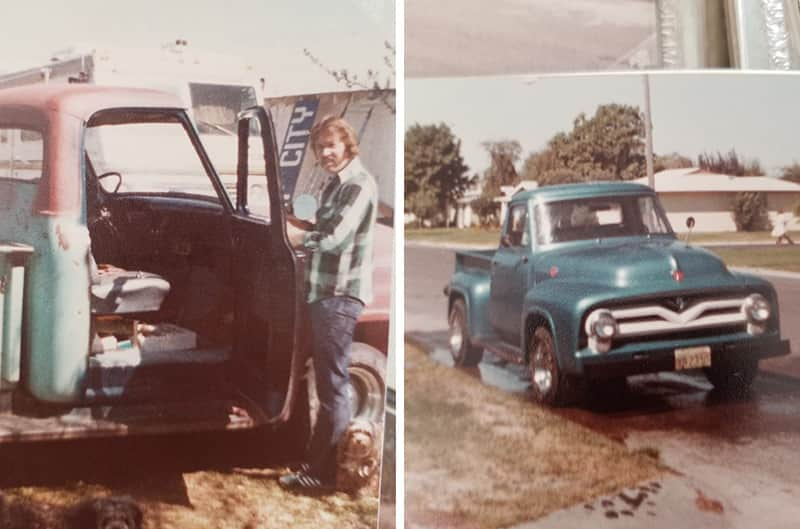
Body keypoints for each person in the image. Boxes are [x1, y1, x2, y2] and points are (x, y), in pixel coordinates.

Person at [279, 116, 378, 491]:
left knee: (333, 389)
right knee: (328, 385)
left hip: (338, 296)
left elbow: (334, 237)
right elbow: (321, 223)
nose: (325, 154)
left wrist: (295, 236)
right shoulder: (336, 186)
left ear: (347, 145)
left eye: (331, 145)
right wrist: (298, 223)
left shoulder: (358, 185)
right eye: (320, 148)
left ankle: (323, 476)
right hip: (325, 294)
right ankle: (320, 462)